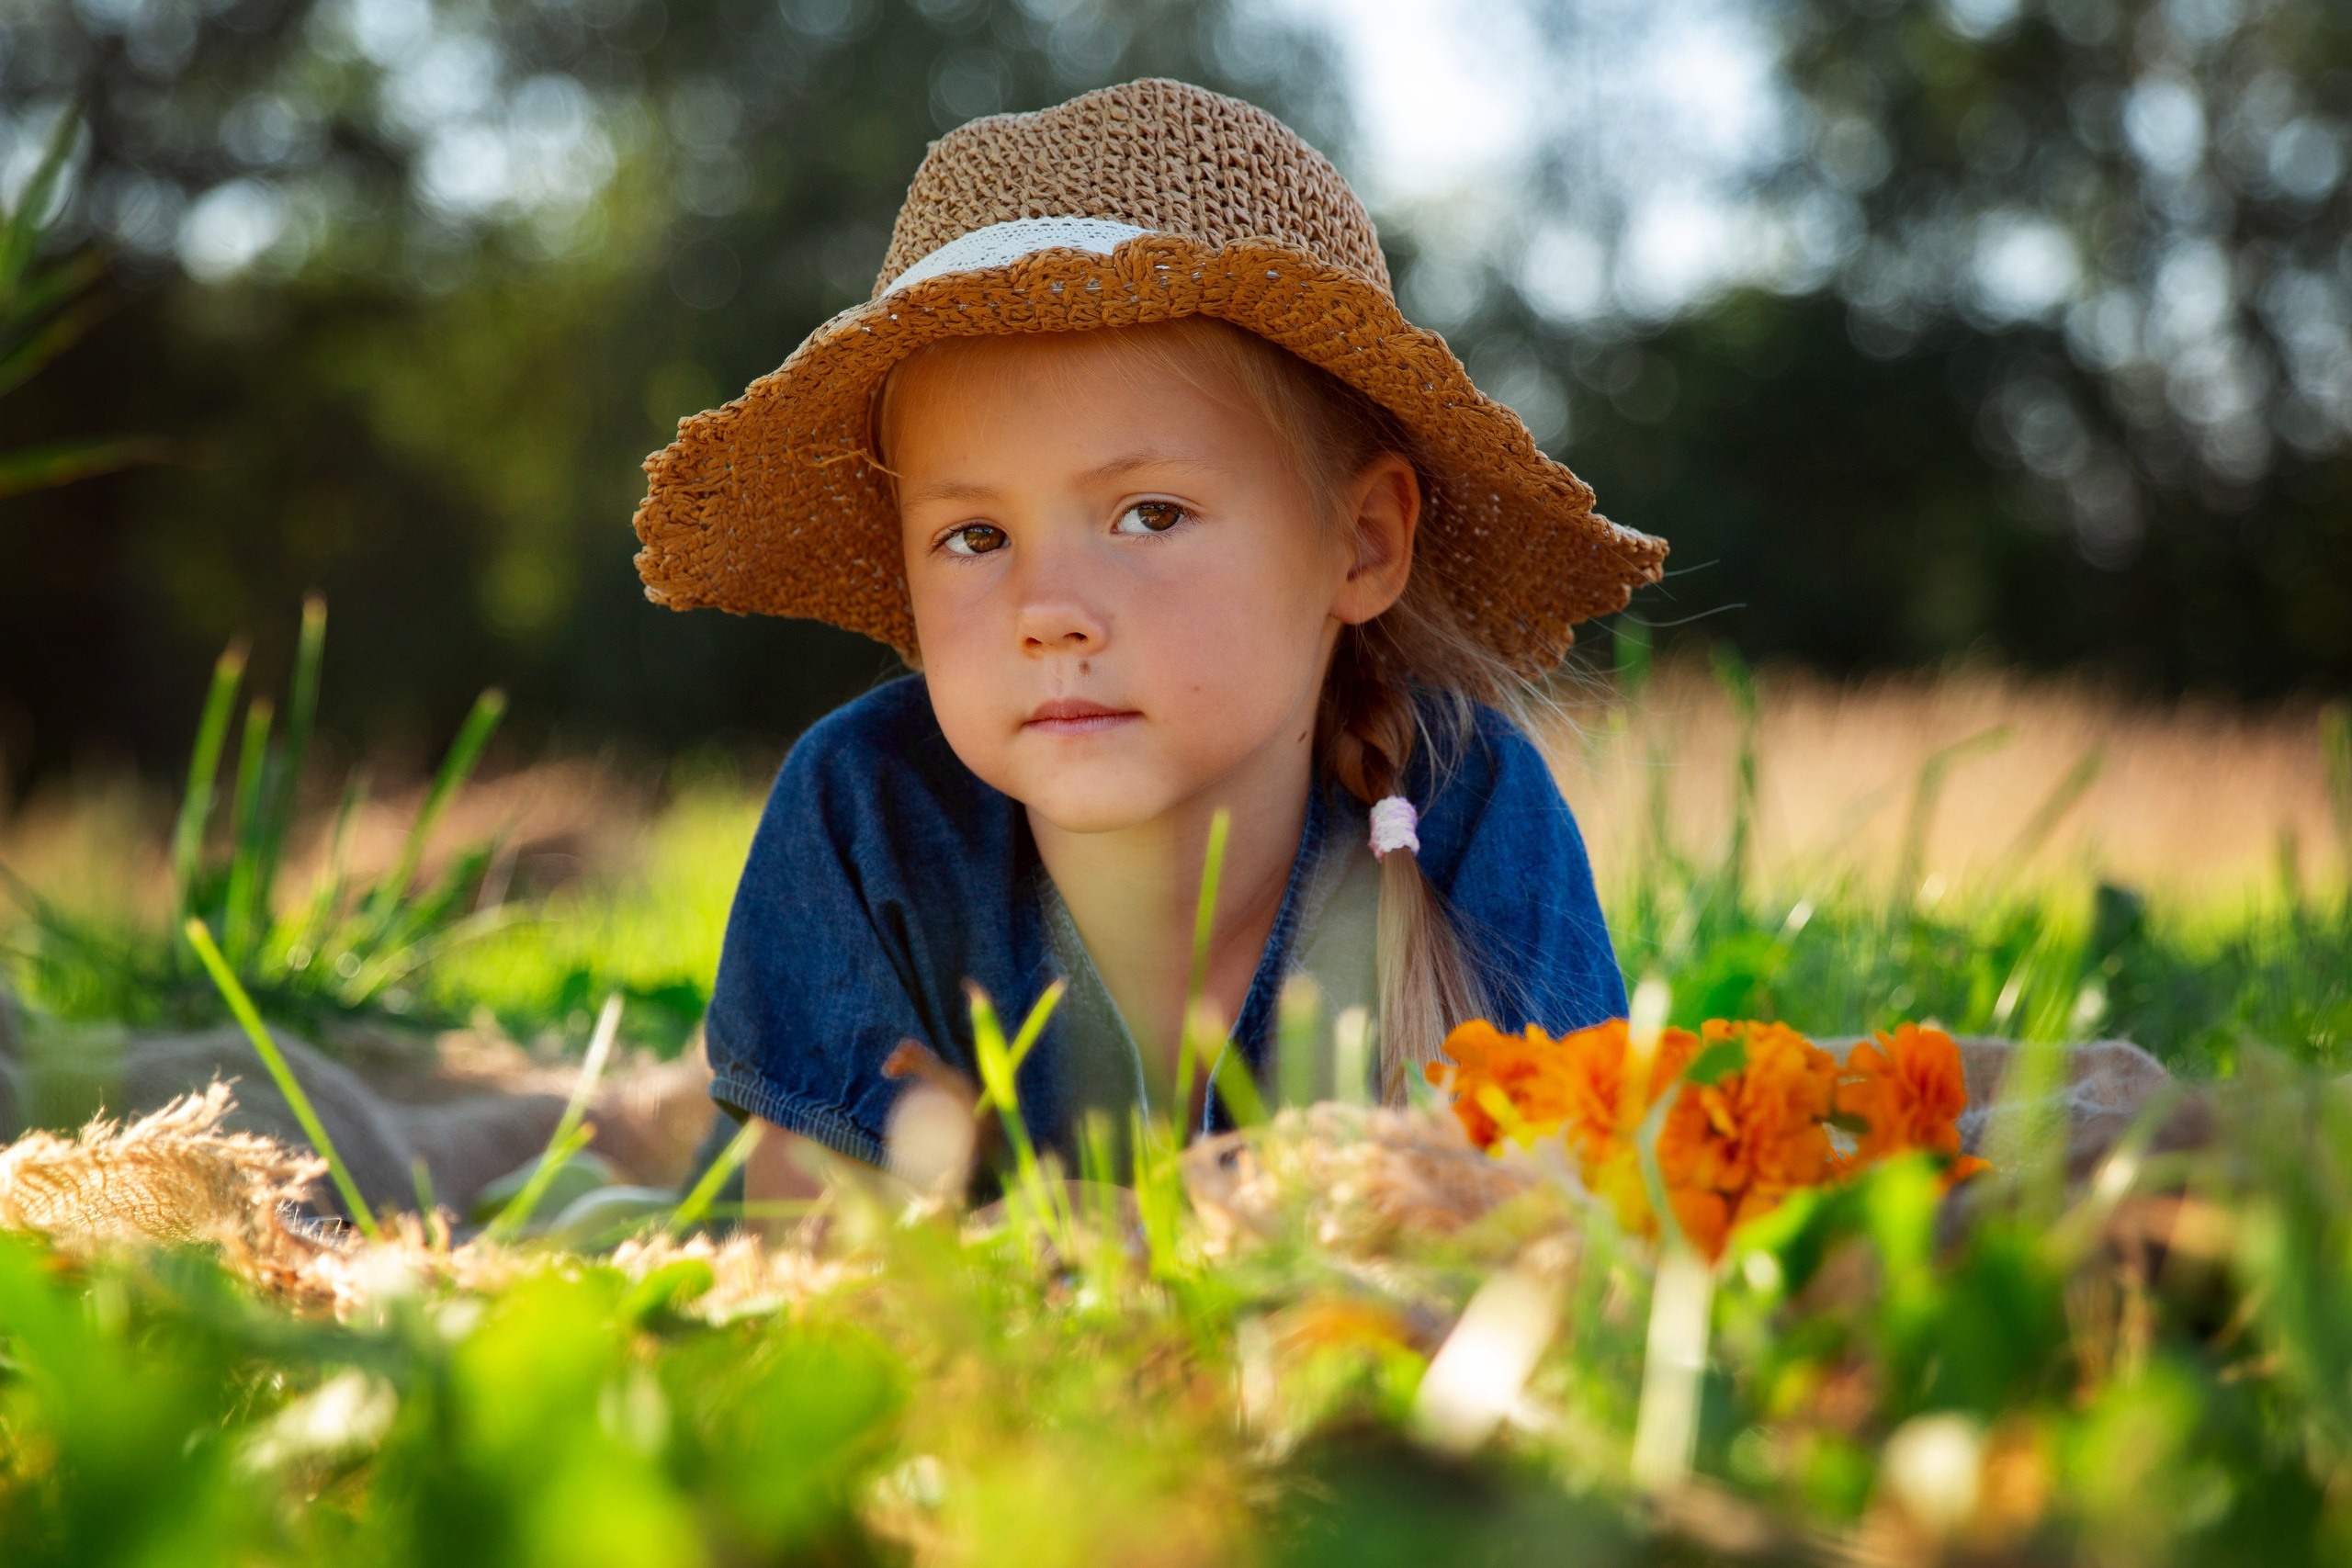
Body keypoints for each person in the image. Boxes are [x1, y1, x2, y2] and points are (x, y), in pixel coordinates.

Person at [631, 79, 1668, 1202]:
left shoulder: (1461, 808)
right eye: (974, 534)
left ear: (1360, 545)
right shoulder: (867, 813)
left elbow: (1559, 1213)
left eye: (1151, 516)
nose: (1049, 610)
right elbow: (811, 1248)